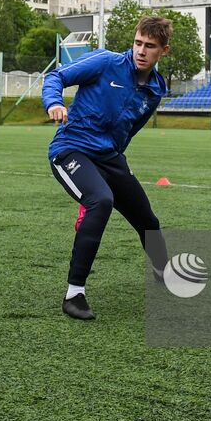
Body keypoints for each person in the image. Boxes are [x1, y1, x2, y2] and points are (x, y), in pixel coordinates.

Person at [42, 16, 172, 320]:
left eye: (150, 46)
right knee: (101, 200)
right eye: (138, 42)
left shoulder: (156, 89)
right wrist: (53, 103)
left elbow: (128, 129)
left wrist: (114, 162)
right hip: (70, 149)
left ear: (163, 51)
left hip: (110, 157)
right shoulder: (105, 62)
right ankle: (74, 294)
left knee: (147, 219)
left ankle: (164, 273)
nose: (141, 50)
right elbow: (55, 76)